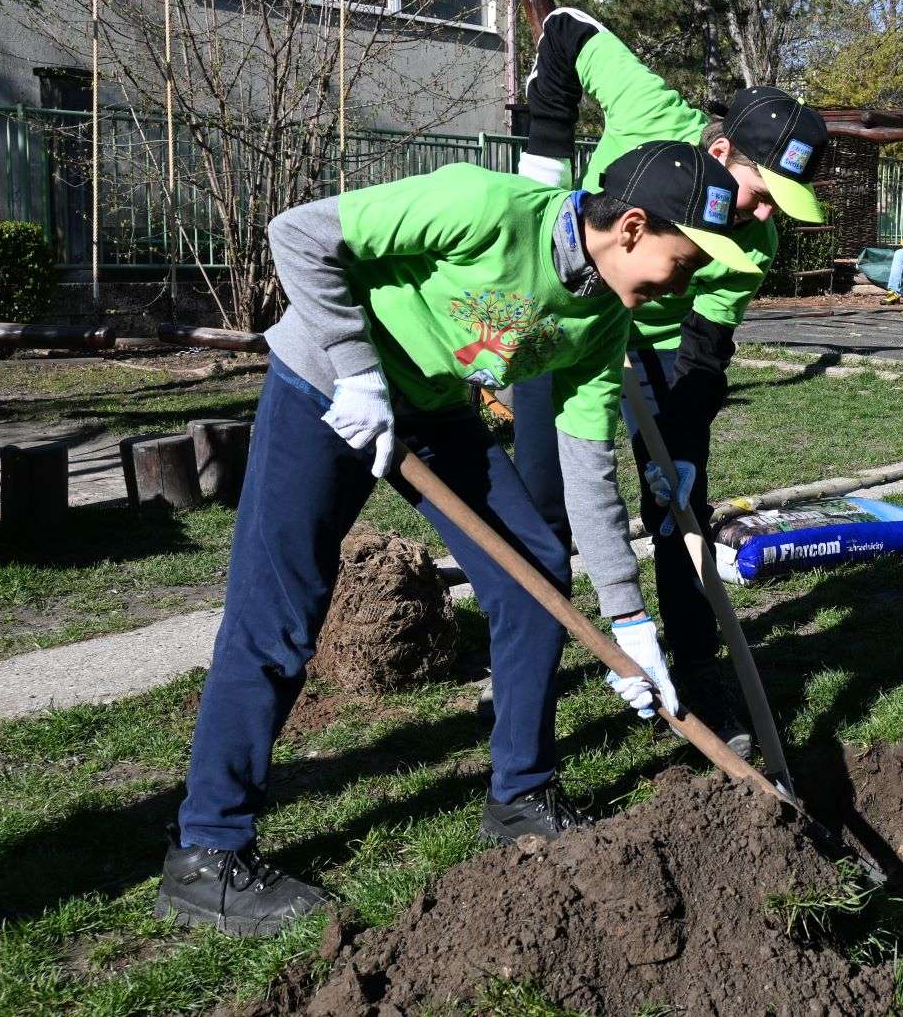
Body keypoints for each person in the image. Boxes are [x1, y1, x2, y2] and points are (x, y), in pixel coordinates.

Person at [157, 140, 759, 937]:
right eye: (679, 265)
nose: (680, 289)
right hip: (327, 387)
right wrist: (356, 368)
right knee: (281, 610)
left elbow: (587, 473)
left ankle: (521, 796)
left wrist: (629, 620)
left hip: (434, 406)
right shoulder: (486, 207)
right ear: (632, 228)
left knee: (532, 573)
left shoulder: (606, 314)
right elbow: (298, 232)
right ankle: (207, 854)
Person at [509, 9, 829, 756]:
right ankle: (534, 688)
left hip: (657, 352)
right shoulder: (651, 109)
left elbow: (706, 348)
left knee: (678, 510)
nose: (762, 216)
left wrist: (681, 444)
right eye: (760, 193)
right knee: (543, 513)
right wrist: (544, 174)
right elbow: (565, 32)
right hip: (560, 323)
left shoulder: (756, 235)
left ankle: (695, 668)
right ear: (719, 149)